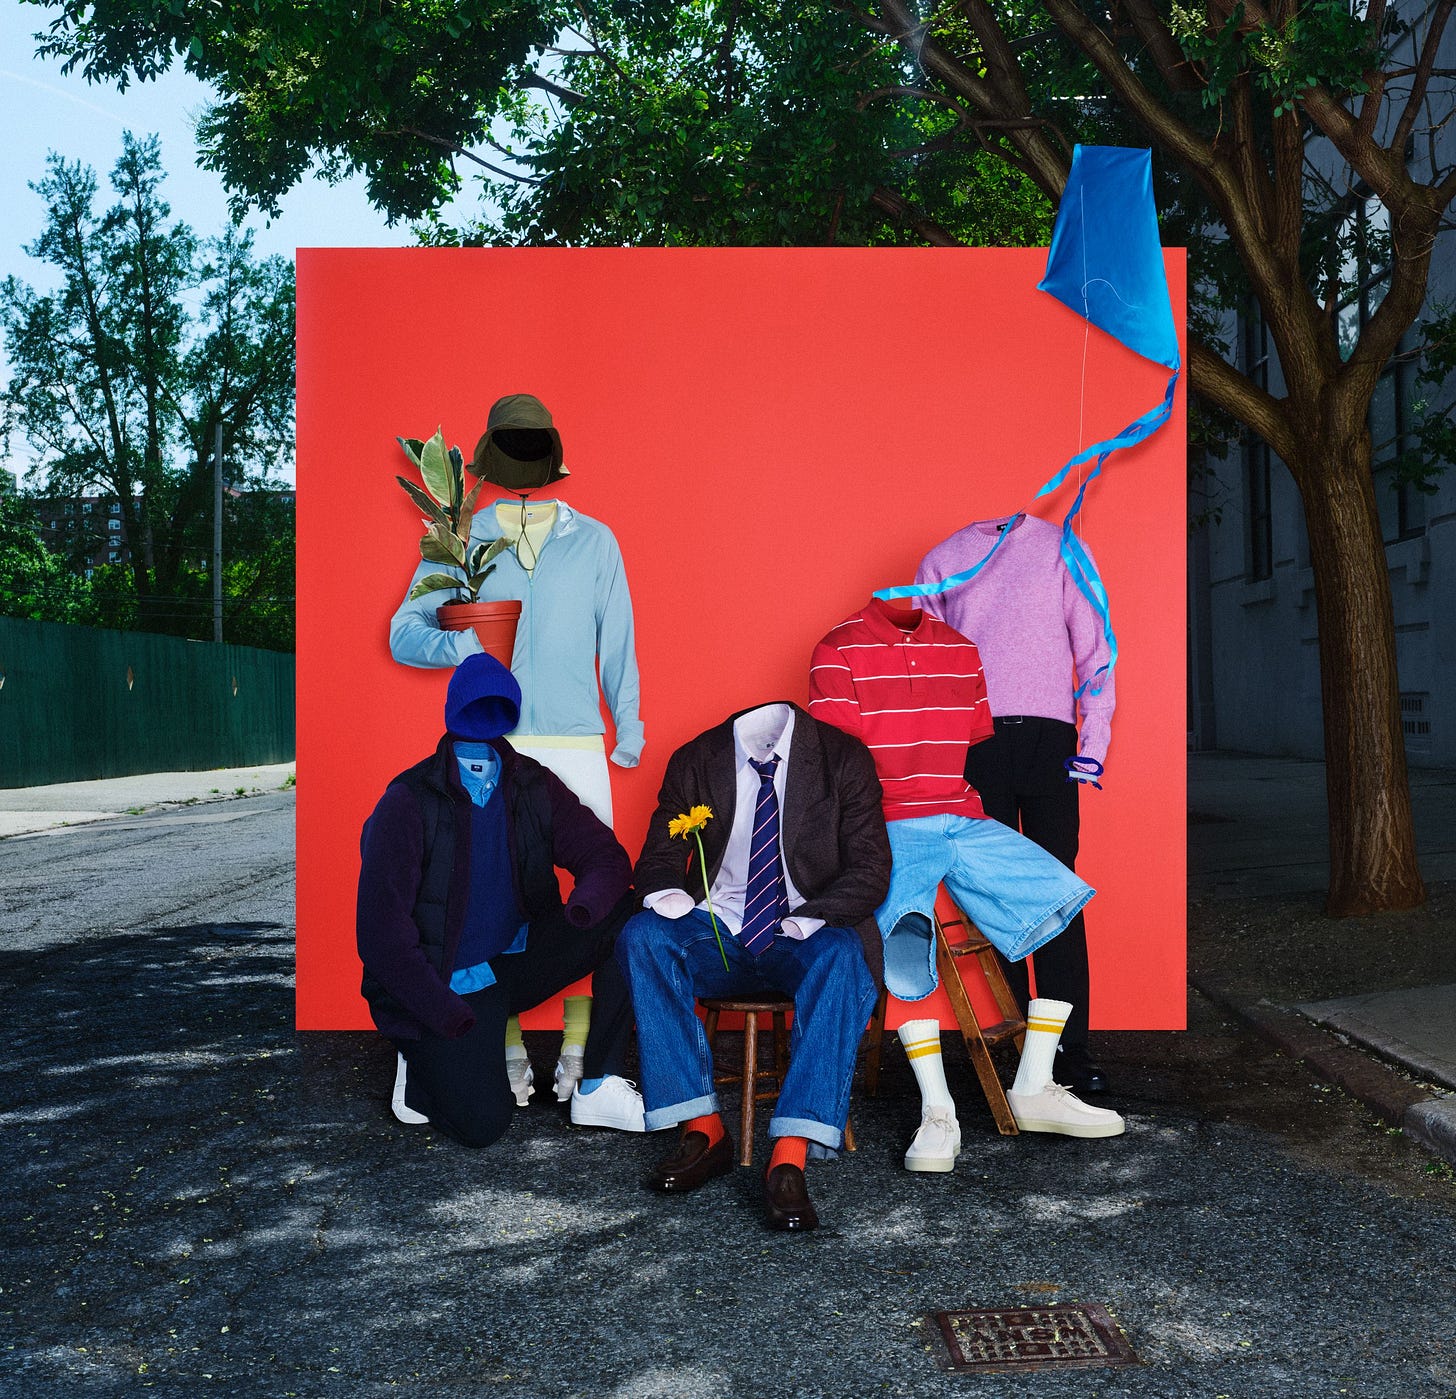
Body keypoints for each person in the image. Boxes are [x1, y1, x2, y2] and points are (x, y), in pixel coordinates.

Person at [389, 392, 644, 1107]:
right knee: (491, 902)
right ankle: (500, 1045)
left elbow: (617, 639)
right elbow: (402, 633)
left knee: (597, 899)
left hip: (577, 742)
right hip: (493, 743)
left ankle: (577, 1045)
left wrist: (630, 728)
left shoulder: (596, 541)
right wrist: (461, 642)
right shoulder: (460, 542)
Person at [809, 597, 1123, 1170]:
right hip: (890, 821)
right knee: (906, 949)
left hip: (965, 816)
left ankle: (1032, 1084)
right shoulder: (838, 649)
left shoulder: (960, 649)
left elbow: (973, 738)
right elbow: (836, 760)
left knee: (1056, 896)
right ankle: (937, 1110)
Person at [617, 702, 889, 1232]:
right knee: (642, 934)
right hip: (717, 929)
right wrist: (667, 893)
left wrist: (812, 918)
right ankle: (703, 1129)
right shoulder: (696, 758)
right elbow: (658, 857)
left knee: (842, 957)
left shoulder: (843, 758)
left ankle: (789, 1154)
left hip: (803, 929)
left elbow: (871, 868)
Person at [356, 652, 645, 1146]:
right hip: (443, 981)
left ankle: (598, 1079)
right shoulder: (407, 801)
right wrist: (442, 1012)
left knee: (631, 913)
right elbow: (382, 938)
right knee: (484, 1125)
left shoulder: (531, 783)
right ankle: (417, 1052)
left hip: (513, 962)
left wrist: (580, 911)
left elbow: (606, 857)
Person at [915, 512, 1114, 1094]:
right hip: (976, 744)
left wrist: (1093, 742)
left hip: (1051, 740)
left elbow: (1095, 648)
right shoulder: (943, 559)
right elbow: (926, 671)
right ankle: (1025, 1050)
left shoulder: (1061, 548)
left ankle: (1070, 1050)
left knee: (1058, 891)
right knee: (994, 892)